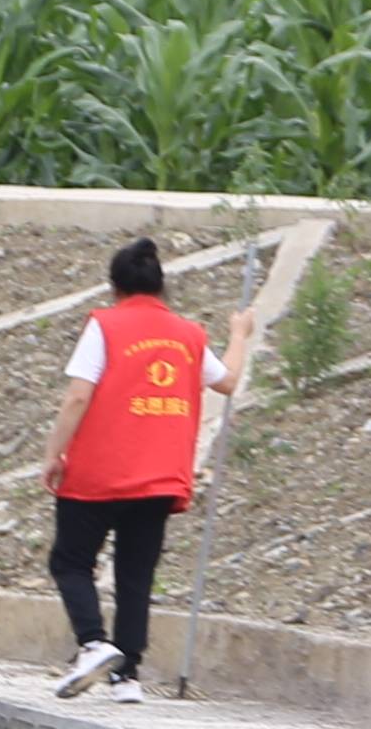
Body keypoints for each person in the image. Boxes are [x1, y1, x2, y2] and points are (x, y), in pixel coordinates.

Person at [43, 232, 245, 701]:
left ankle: (93, 643)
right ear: (161, 288)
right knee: (136, 573)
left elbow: (77, 395)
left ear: (115, 288)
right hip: (158, 475)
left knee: (70, 561)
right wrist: (240, 333)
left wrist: (54, 454)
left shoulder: (105, 326)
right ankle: (127, 676)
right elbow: (228, 381)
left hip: (99, 471)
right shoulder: (191, 336)